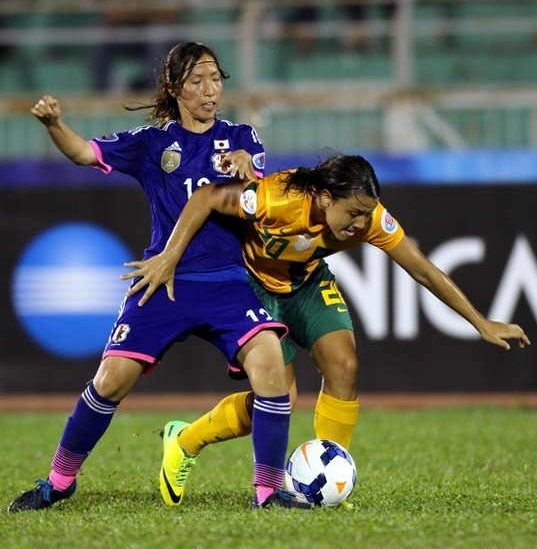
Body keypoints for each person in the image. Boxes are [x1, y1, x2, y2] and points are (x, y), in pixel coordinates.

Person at [8, 41, 313, 512]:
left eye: (215, 78)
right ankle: (59, 481)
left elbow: (254, 179)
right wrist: (54, 124)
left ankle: (269, 492)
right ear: (175, 89)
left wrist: (245, 169)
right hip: (163, 280)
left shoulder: (241, 135)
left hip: (227, 281)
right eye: (197, 81)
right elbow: (84, 154)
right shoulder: (153, 144)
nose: (210, 91)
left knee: (270, 367)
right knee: (109, 381)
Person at [121, 153, 531, 500]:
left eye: (365, 214)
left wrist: (480, 322)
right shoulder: (277, 198)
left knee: (344, 366)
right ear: (322, 196)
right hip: (252, 286)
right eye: (352, 212)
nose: (359, 224)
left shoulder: (370, 219)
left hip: (307, 282)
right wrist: (171, 256)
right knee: (279, 398)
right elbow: (208, 197)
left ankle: (332, 483)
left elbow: (423, 270)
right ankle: (185, 440)